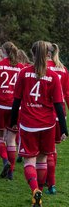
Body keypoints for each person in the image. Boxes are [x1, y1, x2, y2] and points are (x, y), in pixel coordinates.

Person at [10, 41, 67, 207]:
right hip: (48, 125)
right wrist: (63, 129)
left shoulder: (23, 72)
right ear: (48, 54)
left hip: (28, 124)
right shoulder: (54, 76)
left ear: (33, 54)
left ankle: (35, 190)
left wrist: (13, 121)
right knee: (43, 160)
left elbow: (16, 100)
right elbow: (58, 105)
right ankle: (40, 191)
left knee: (29, 161)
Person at [0, 42, 23, 179]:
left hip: (1, 106)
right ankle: (11, 172)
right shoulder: (21, 67)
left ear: (3, 52)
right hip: (16, 107)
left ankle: (5, 160)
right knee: (11, 139)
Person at [45, 43, 69, 194]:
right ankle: (51, 183)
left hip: (44, 113)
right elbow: (67, 94)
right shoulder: (63, 69)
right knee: (53, 148)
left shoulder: (41, 68)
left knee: (43, 153)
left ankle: (48, 181)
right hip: (60, 115)